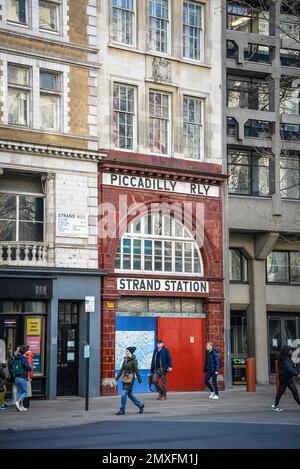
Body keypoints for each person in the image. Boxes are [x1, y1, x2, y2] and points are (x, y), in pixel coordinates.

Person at [115, 347, 144, 415]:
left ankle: (122, 410)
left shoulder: (134, 361)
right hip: (125, 378)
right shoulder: (125, 359)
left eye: (127, 351)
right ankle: (140, 405)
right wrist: (116, 378)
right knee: (130, 395)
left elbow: (137, 371)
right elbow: (121, 370)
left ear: (131, 352)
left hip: (130, 379)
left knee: (123, 394)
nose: (126, 352)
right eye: (126, 351)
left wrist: (140, 380)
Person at [272, 345, 300, 412]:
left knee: (294, 392)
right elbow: (289, 369)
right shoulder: (284, 359)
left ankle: (275, 405)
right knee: (281, 392)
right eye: (289, 350)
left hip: (288, 378)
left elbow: (292, 349)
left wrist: (297, 348)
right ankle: (276, 406)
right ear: (286, 351)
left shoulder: (285, 357)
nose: (291, 351)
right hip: (284, 378)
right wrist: (296, 374)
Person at [9, 345, 32, 412]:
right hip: (23, 377)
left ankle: (20, 406)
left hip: (16, 377)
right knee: (25, 391)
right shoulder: (24, 359)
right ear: (25, 351)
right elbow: (27, 367)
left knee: (19, 392)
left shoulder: (17, 358)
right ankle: (18, 402)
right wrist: (30, 367)